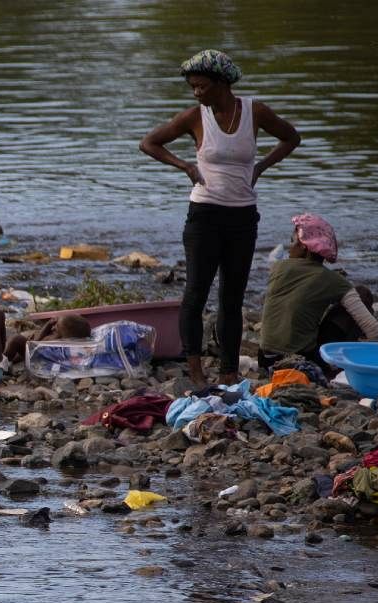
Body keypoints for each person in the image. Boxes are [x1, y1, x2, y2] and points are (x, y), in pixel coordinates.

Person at [140, 49, 301, 388]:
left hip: (243, 216)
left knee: (232, 296)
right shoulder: (195, 117)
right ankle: (196, 372)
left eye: (201, 86)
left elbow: (291, 137)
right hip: (205, 215)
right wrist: (185, 166)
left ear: (221, 83)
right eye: (193, 88)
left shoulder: (255, 111)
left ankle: (229, 371)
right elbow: (150, 143)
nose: (196, 93)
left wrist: (261, 166)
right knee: (196, 293)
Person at [258, 213, 378, 368]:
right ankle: (335, 366)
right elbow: (374, 331)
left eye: (292, 241)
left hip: (265, 359)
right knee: (362, 294)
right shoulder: (333, 281)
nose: (290, 247)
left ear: (303, 246)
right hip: (301, 362)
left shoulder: (278, 267)